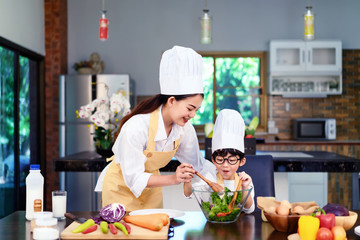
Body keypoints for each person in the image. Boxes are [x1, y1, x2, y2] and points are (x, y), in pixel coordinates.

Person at [95, 45, 212, 211]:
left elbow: (197, 165)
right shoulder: (137, 127)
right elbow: (134, 178)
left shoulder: (184, 129)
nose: (192, 115)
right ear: (171, 101)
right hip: (120, 189)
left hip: (151, 193)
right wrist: (174, 178)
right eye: (190, 108)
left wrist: (224, 175)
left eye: (196, 110)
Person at [184, 109, 255, 214]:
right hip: (214, 224)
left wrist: (244, 188)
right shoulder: (210, 178)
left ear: (241, 161)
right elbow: (189, 193)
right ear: (213, 160)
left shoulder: (244, 180)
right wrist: (187, 180)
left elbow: (249, 209)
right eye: (220, 160)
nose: (225, 165)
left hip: (238, 226)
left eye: (231, 160)